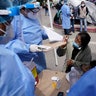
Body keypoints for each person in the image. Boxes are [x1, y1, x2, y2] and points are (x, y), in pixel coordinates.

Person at [0, 0, 35, 96]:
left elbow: (15, 40)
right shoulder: (6, 57)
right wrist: (25, 71)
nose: (9, 26)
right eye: (7, 23)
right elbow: (25, 86)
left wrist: (28, 47)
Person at [12, 2, 48, 73]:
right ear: (23, 9)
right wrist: (28, 47)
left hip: (39, 56)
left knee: (42, 76)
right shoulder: (15, 21)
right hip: (26, 58)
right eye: (33, 11)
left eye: (37, 10)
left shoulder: (33, 18)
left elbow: (37, 33)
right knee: (31, 78)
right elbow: (10, 44)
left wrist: (48, 34)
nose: (35, 13)